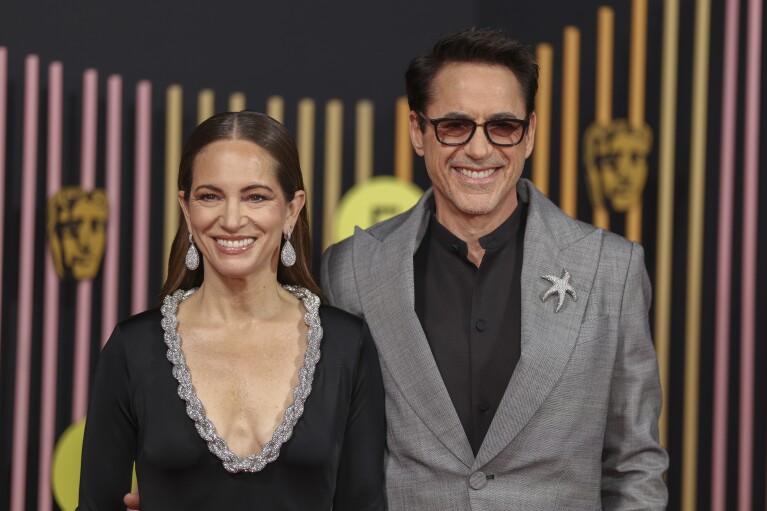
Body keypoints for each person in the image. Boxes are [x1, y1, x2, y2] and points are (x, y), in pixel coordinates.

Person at [320, 28, 668, 509]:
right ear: (418, 132)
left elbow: (634, 465)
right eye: (455, 125)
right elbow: (336, 462)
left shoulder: (612, 267)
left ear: (530, 135)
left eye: (503, 126)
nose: (480, 150)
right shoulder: (351, 269)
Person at [78, 111, 385, 510]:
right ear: (187, 209)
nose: (232, 219)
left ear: (291, 210)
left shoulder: (348, 345)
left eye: (256, 196)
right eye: (211, 196)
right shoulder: (132, 349)